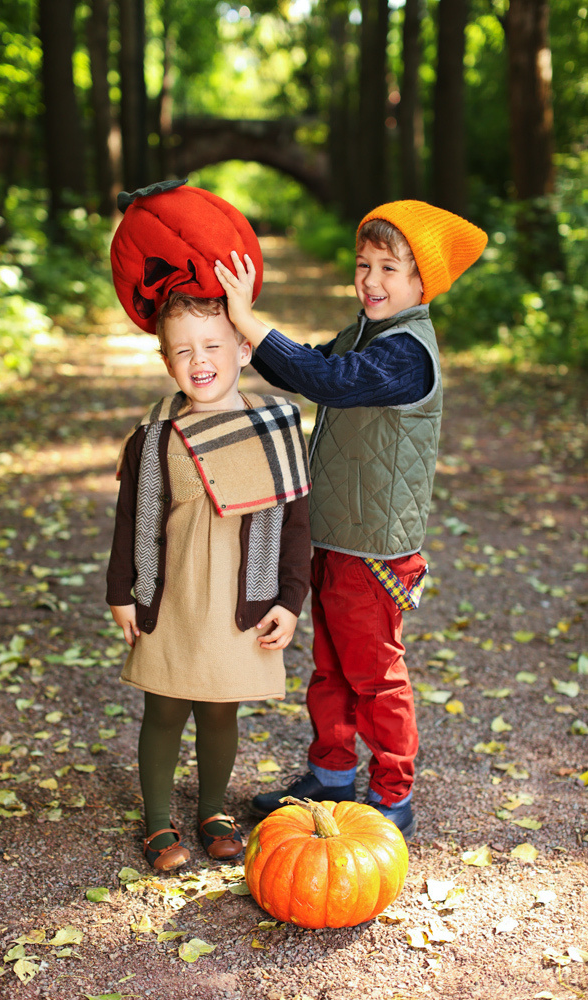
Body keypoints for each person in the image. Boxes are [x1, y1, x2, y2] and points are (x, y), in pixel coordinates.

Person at [215, 200, 487, 840]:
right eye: (365, 265)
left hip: (376, 548)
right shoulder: (365, 333)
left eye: (390, 268)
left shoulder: (407, 354)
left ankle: (393, 795)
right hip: (337, 535)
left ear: (423, 284)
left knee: (376, 676)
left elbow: (329, 380)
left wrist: (251, 323)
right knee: (331, 668)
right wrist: (236, 332)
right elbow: (306, 366)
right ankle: (331, 773)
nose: (371, 280)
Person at [106, 292, 311, 871]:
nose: (200, 359)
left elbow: (297, 524)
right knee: (165, 707)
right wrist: (121, 590)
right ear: (167, 360)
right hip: (172, 595)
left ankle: (214, 810)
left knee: (221, 708)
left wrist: (291, 601)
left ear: (244, 349)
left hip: (240, 598)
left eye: (213, 345)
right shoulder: (154, 435)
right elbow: (131, 518)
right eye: (183, 349)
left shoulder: (271, 428)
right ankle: (157, 822)